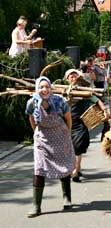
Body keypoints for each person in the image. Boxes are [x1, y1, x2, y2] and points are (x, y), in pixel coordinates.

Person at [25, 76, 75, 218]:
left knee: (63, 167)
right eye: (41, 87)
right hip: (42, 140)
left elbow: (68, 119)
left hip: (61, 137)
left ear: (51, 88)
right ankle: (36, 206)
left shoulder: (60, 101)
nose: (44, 90)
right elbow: (31, 119)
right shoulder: (32, 103)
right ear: (37, 89)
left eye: (47, 87)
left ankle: (67, 198)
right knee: (39, 169)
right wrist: (36, 133)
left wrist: (67, 135)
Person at [64, 69, 109, 182]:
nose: (73, 77)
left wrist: (104, 110)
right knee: (69, 147)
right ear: (67, 79)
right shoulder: (62, 90)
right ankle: (76, 169)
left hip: (80, 122)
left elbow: (96, 99)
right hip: (66, 123)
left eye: (75, 75)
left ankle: (75, 171)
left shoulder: (84, 89)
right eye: (70, 76)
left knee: (78, 146)